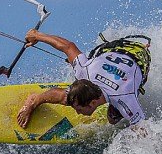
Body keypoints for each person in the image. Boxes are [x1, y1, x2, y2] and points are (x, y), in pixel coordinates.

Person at [17, 29, 150, 133]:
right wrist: (37, 35)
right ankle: (35, 100)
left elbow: (142, 127)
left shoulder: (125, 99)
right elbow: (68, 47)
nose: (77, 112)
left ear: (92, 103)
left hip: (139, 55)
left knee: (113, 118)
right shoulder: (84, 71)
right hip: (113, 50)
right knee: (67, 97)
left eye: (78, 108)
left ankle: (114, 113)